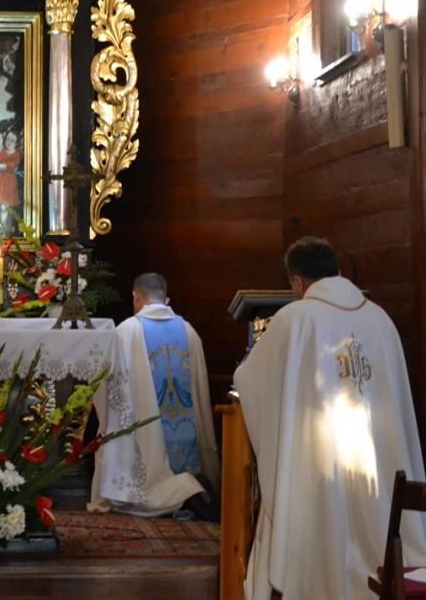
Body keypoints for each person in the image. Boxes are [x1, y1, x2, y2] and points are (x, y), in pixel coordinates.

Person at [234, 236, 426, 599]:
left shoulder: (295, 318)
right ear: (336, 271)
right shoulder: (380, 319)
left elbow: (249, 379)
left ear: (297, 282)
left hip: (318, 461)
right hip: (377, 461)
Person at [90, 273, 219, 518]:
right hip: (186, 433)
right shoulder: (189, 332)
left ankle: (181, 492)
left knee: (144, 479)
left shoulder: (126, 331)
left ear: (135, 297)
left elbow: (106, 385)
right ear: (166, 299)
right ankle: (192, 487)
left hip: (147, 440)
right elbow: (200, 390)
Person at [0, 130, 22, 233]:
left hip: (8, 183)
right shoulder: (2, 152)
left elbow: (11, 166)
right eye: (8, 139)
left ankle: (4, 229)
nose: (9, 142)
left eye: (12, 140)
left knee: (5, 205)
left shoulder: (16, 154)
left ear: (16, 142)